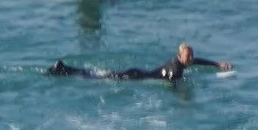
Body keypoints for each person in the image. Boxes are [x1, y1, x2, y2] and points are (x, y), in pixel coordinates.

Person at [46, 42, 233, 83]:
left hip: (139, 73)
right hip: (134, 77)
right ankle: (64, 70)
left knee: (100, 74)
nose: (191, 59)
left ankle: (65, 69)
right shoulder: (176, 69)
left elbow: (197, 61)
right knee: (97, 77)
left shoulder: (181, 62)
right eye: (188, 56)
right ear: (179, 56)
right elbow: (170, 80)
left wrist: (216, 64)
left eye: (191, 55)